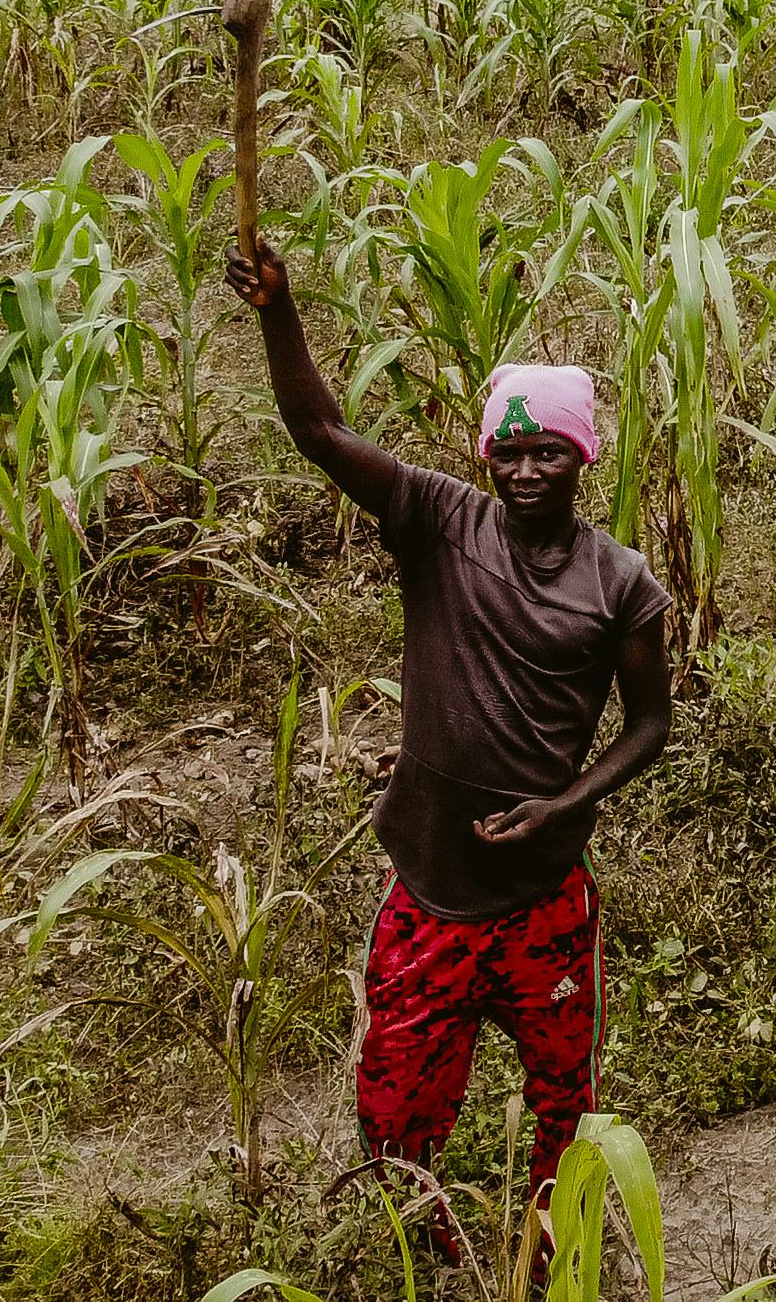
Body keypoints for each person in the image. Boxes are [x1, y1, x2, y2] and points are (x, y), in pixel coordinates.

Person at [225, 243, 670, 1253]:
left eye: (545, 452)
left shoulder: (623, 584)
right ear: (483, 456)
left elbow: (649, 725)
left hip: (545, 896)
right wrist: (277, 312)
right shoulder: (438, 520)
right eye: (505, 453)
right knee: (394, 1108)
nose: (522, 472)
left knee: (567, 1107)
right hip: (429, 883)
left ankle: (552, 1256)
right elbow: (318, 428)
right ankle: (428, 1252)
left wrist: (565, 806)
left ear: (581, 456)